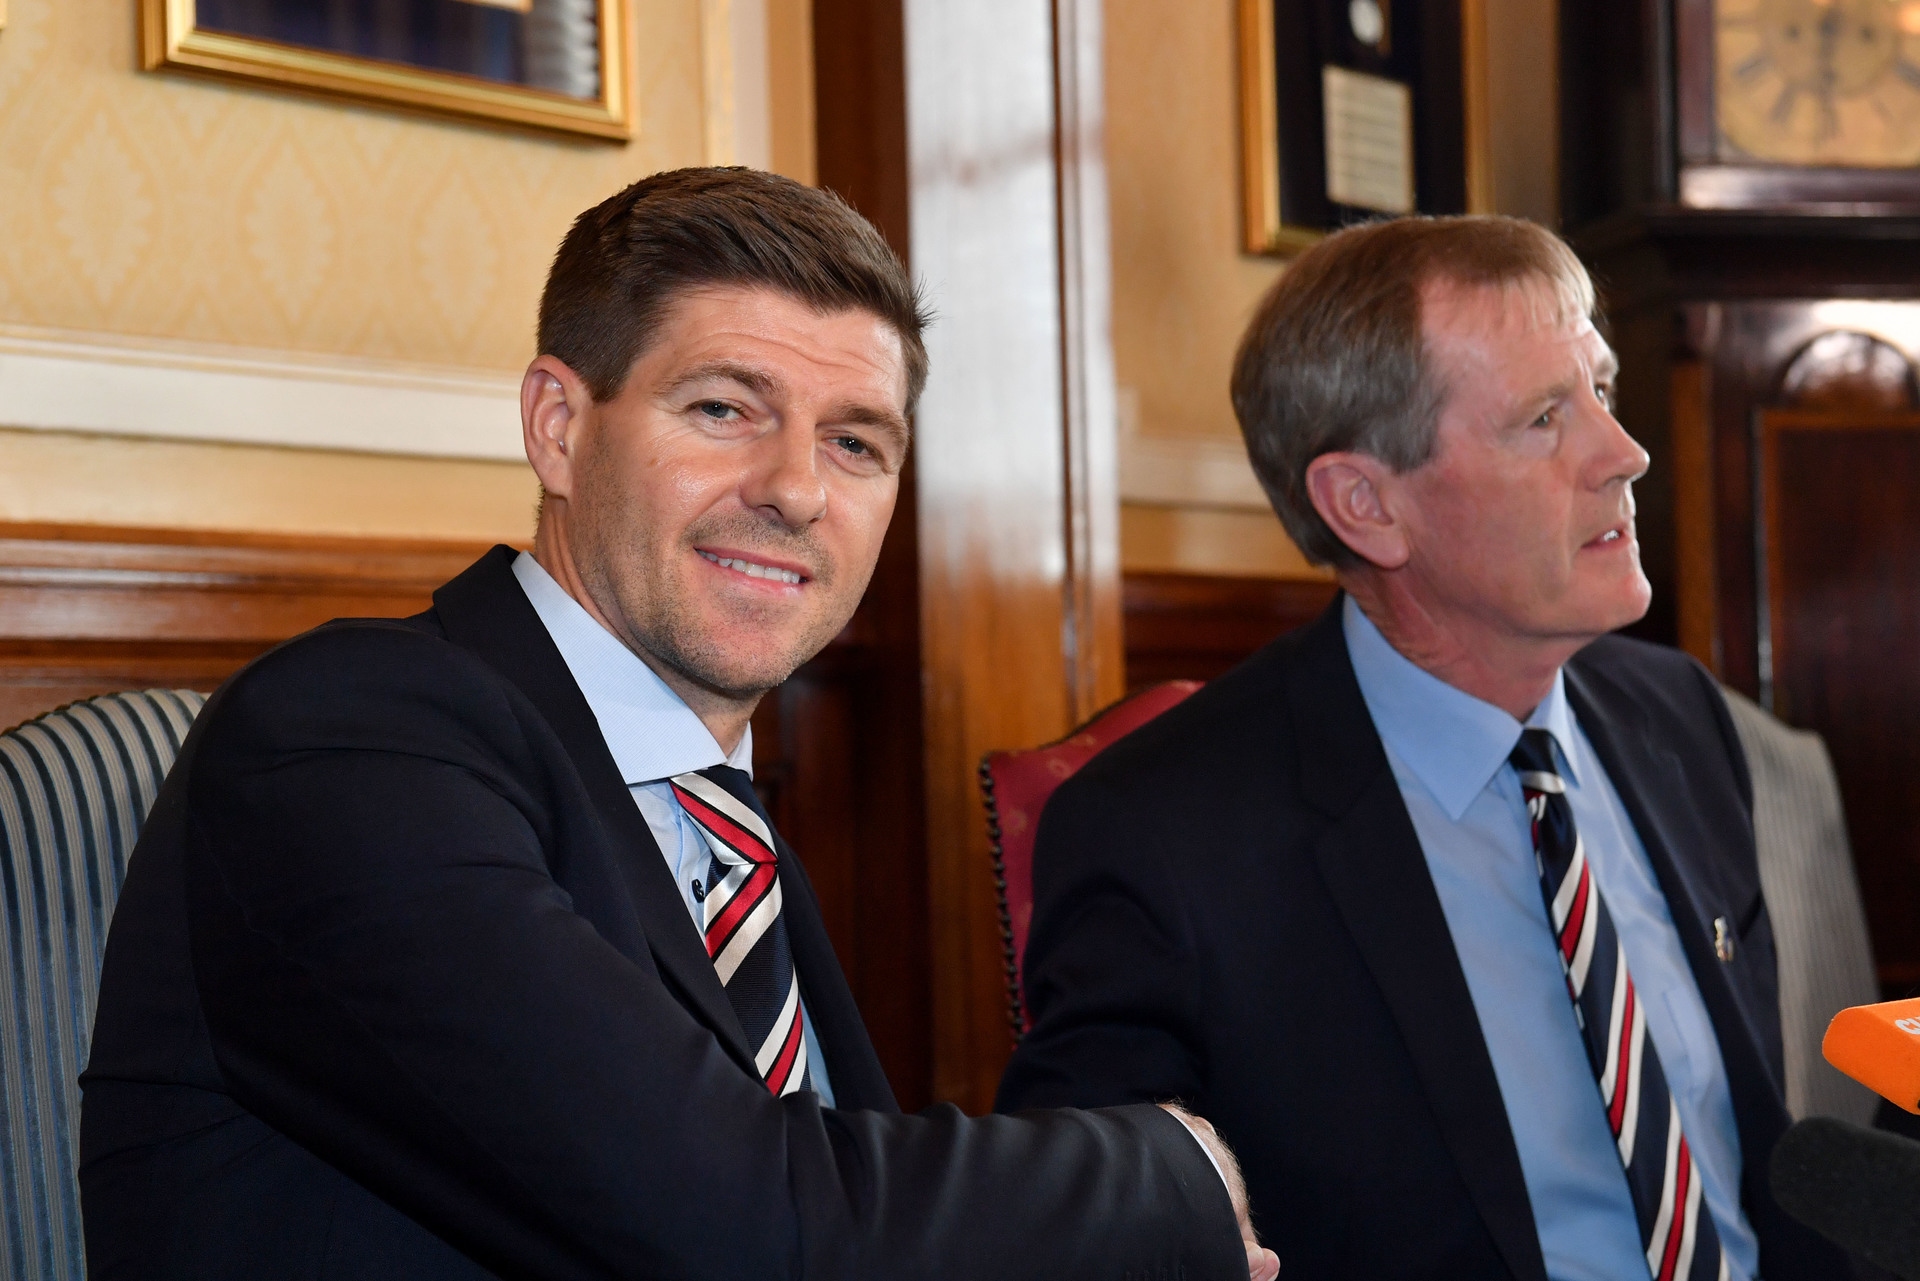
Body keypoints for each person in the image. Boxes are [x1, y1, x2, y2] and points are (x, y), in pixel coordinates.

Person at [79, 168, 1277, 1281]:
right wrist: (1169, 1174)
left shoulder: (713, 819)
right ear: (558, 424)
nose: (798, 489)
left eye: (856, 442)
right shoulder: (345, 737)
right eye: (722, 409)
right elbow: (732, 1223)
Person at [996, 216, 1853, 1281]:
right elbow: (1084, 1232)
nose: (1623, 454)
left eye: (1604, 391)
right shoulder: (1170, 835)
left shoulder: (1677, 716)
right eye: (1545, 419)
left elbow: (1759, 1163)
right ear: (1367, 506)